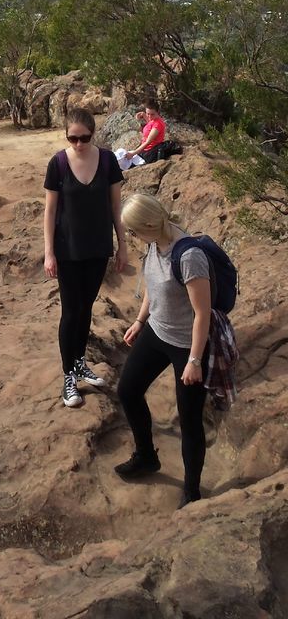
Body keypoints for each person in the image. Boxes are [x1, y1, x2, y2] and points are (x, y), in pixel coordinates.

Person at [115, 191, 211, 508]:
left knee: (189, 420)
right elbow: (154, 285)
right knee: (128, 390)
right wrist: (140, 321)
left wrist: (195, 361)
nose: (130, 236)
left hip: (188, 344)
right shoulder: (155, 242)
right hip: (157, 331)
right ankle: (146, 456)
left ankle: (192, 490)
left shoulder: (189, 256)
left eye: (132, 230)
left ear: (148, 224)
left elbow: (202, 314)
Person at [43, 108, 128, 409]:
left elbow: (116, 208)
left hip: (97, 247)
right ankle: (69, 376)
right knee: (70, 311)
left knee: (86, 308)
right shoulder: (58, 163)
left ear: (94, 134)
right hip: (68, 250)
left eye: (85, 138)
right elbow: (50, 211)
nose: (79, 144)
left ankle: (79, 362)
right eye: (73, 138)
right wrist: (49, 251)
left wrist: (123, 245)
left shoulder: (107, 161)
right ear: (66, 135)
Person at [125, 100, 167, 165]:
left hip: (149, 152)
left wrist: (133, 154)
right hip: (144, 150)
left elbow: (148, 142)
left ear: (158, 112)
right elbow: (150, 125)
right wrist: (145, 116)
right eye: (148, 113)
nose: (149, 116)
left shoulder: (158, 124)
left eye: (152, 114)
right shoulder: (153, 120)